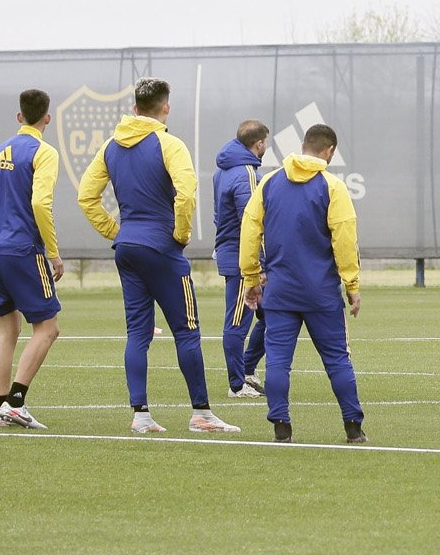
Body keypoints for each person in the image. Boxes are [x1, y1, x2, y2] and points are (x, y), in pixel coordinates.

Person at [78, 77, 237, 435]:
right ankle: (201, 414)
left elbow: (87, 197)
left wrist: (116, 232)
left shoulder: (110, 147)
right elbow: (186, 192)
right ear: (165, 108)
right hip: (161, 247)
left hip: (128, 248)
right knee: (187, 330)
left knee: (137, 333)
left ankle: (141, 415)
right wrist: (180, 234)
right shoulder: (169, 143)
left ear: (134, 108)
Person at [240, 124, 365, 444]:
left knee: (279, 360)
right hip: (321, 291)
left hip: (280, 290)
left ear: (302, 145)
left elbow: (250, 231)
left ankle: (281, 427)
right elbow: (345, 237)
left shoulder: (269, 182)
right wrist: (352, 284)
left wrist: (251, 278)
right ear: (330, 152)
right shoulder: (332, 186)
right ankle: (353, 427)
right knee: (337, 359)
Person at [0, 90, 64, 429]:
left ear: (19, 117)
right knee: (48, 328)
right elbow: (41, 204)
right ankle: (15, 401)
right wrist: (53, 253)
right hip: (22, 250)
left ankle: (2, 408)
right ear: (47, 117)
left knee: (6, 329)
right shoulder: (43, 152)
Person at [214, 120, 269, 398]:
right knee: (237, 320)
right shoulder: (246, 172)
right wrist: (257, 264)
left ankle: (246, 368)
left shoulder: (222, 170)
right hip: (242, 259)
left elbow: (218, 216)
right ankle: (237, 385)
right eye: (265, 143)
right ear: (259, 144)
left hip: (232, 252)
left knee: (271, 313)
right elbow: (250, 221)